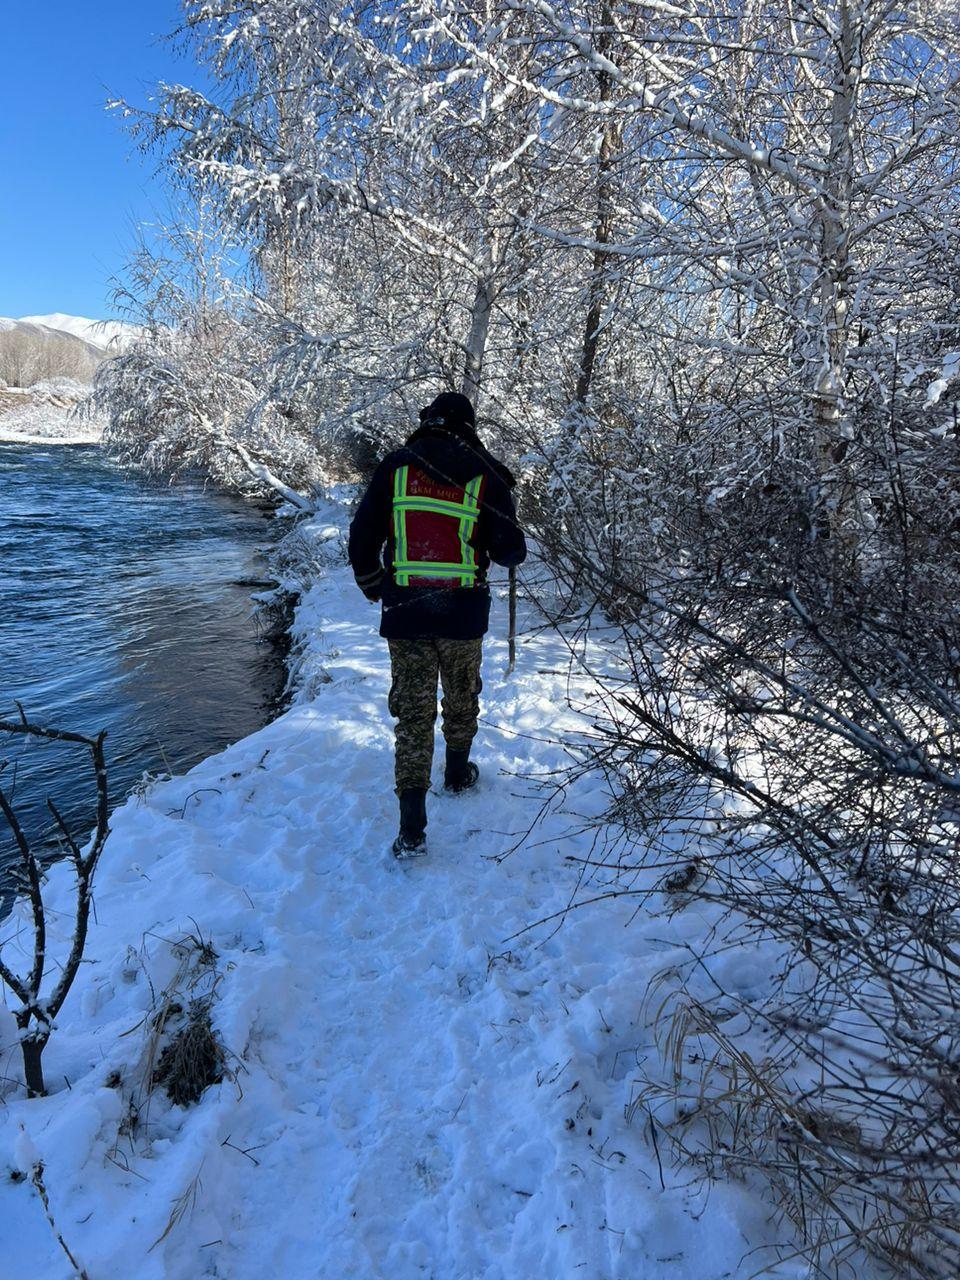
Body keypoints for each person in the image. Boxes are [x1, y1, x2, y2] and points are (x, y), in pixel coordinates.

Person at [348, 391, 527, 857]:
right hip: (462, 613)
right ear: (469, 427)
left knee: (413, 714)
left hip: (405, 612)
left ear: (429, 420)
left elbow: (362, 534)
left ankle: (411, 827)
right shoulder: (486, 474)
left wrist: (374, 584)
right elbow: (511, 552)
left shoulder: (396, 467)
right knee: (461, 696)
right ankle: (457, 772)